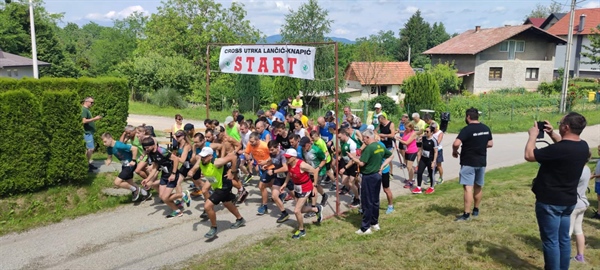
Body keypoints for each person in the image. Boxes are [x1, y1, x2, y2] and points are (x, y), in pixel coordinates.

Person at [524, 112, 589, 270]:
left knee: (551, 241)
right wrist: (552, 133)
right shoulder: (583, 146)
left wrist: (533, 136)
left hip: (550, 202)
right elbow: (565, 145)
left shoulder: (559, 149)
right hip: (568, 201)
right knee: (563, 240)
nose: (559, 124)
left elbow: (529, 155)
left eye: (560, 123)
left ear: (566, 127)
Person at [347, 129, 393, 235]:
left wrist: (353, 158)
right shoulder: (380, 145)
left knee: (367, 202)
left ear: (368, 137)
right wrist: (382, 166)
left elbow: (362, 163)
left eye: (364, 138)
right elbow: (390, 156)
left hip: (368, 177)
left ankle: (365, 227)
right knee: (375, 200)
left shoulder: (369, 148)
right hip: (377, 175)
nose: (363, 141)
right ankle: (374, 223)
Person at [452, 107, 493, 222]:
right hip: (481, 161)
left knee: (468, 187)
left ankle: (466, 214)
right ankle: (476, 209)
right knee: (478, 186)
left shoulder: (467, 129)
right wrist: (479, 145)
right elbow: (490, 143)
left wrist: (454, 151)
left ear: (468, 117)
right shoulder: (485, 128)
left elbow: (456, 143)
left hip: (468, 161)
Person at [197, 147, 246, 238]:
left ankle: (213, 228)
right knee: (227, 203)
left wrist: (232, 172)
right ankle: (240, 219)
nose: (202, 158)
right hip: (218, 185)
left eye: (204, 156)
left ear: (210, 156)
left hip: (224, 186)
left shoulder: (217, 162)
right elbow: (197, 166)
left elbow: (234, 157)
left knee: (207, 206)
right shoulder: (202, 162)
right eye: (201, 156)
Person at [280, 148, 323, 239]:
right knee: (302, 210)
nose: (287, 159)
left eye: (288, 157)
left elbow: (315, 171)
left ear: (294, 157)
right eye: (286, 157)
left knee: (296, 211)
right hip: (297, 188)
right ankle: (316, 209)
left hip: (306, 188)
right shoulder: (289, 164)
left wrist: (314, 186)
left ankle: (302, 230)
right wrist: (285, 183)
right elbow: (289, 173)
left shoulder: (302, 165)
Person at [140, 137, 184, 219]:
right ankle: (177, 211)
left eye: (148, 147)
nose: (146, 149)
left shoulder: (162, 151)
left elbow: (176, 159)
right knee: (161, 196)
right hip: (164, 175)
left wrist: (173, 173)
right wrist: (147, 179)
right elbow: (155, 168)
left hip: (172, 175)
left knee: (165, 197)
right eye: (145, 148)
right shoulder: (150, 153)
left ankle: (183, 195)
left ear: (153, 145)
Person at [102, 133, 150, 202]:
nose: (104, 144)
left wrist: (133, 160)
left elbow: (134, 149)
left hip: (130, 164)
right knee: (130, 183)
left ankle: (135, 190)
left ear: (110, 139)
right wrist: (108, 161)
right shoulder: (109, 148)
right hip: (124, 165)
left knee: (117, 182)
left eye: (105, 141)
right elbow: (109, 158)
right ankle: (145, 194)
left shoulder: (118, 145)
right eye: (103, 142)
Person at [569, 152, 591, 263]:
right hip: (582, 203)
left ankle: (563, 257)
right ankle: (580, 256)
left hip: (573, 205)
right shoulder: (586, 169)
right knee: (578, 230)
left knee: (566, 233)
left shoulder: (576, 171)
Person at [244, 132, 273, 215]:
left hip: (270, 167)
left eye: (252, 142)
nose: (251, 143)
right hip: (262, 167)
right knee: (270, 183)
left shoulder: (265, 145)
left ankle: (264, 206)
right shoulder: (250, 144)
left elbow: (273, 155)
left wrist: (266, 162)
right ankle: (281, 194)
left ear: (257, 140)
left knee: (262, 186)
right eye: (250, 141)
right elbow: (246, 152)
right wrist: (248, 159)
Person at [264, 140, 292, 223]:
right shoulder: (272, 154)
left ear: (277, 147)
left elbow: (285, 168)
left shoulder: (282, 154)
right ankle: (284, 213)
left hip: (288, 177)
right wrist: (267, 165)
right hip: (279, 178)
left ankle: (308, 207)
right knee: (274, 196)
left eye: (272, 149)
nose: (270, 151)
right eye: (269, 149)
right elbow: (273, 160)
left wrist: (273, 171)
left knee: (296, 196)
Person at [412, 126, 438, 195]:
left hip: (430, 159)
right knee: (419, 172)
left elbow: (436, 152)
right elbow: (421, 148)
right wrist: (419, 157)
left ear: (432, 132)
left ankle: (432, 187)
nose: (425, 133)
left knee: (431, 173)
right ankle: (419, 187)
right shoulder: (423, 138)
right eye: (425, 131)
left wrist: (434, 162)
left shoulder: (434, 141)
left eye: (427, 131)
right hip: (423, 158)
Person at [82, 97, 102, 172]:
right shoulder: (84, 110)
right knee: (90, 149)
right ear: (86, 101)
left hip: (89, 133)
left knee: (89, 149)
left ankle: (87, 163)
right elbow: (83, 121)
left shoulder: (87, 110)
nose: (92, 104)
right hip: (87, 133)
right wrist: (94, 119)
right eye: (91, 102)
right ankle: (86, 165)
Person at [398, 123, 418, 188]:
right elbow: (404, 139)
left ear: (411, 128)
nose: (405, 129)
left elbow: (407, 142)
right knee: (408, 166)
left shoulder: (413, 133)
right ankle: (411, 178)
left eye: (407, 128)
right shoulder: (406, 132)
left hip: (412, 151)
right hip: (407, 151)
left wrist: (398, 140)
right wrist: (400, 137)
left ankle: (410, 181)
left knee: (409, 166)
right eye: (405, 128)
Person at [592, 145, 600, 219]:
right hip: (598, 182)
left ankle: (599, 213)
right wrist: (593, 174)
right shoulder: (599, 160)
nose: (598, 152)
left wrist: (594, 176)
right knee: (598, 198)